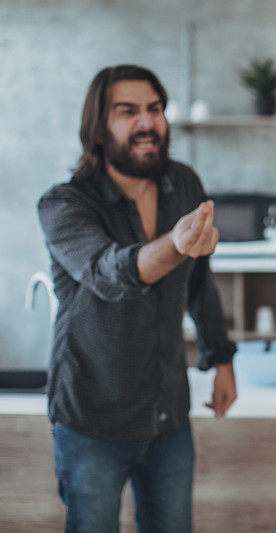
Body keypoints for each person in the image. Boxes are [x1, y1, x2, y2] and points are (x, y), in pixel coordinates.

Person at [37, 65, 237, 532]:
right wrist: (177, 244)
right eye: (128, 112)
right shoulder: (64, 205)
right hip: (92, 418)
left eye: (155, 109)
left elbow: (198, 283)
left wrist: (220, 357)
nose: (147, 123)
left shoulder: (183, 183)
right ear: (98, 127)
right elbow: (110, 274)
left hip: (168, 414)